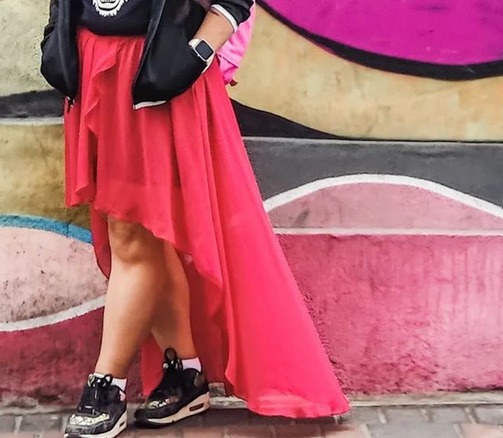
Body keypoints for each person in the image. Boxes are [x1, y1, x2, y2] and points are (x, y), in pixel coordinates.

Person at [39, 1, 351, 437]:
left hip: (155, 78)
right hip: (94, 70)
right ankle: (184, 376)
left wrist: (196, 53)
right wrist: (57, 30)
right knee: (145, 233)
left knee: (131, 235)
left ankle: (104, 385)